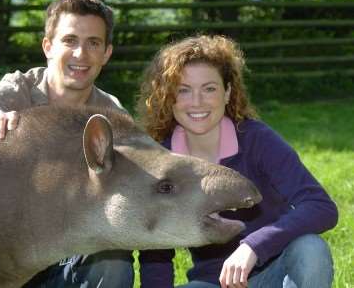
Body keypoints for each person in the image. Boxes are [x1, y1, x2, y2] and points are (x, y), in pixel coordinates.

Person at [136, 34, 338, 288]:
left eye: (209, 88)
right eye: (183, 90)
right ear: (169, 97)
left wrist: (253, 247)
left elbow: (320, 206)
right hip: (213, 283)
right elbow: (156, 252)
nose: (196, 102)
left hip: (276, 273)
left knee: (311, 249)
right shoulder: (162, 162)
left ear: (228, 92)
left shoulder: (256, 139)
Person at [0, 0, 134, 288]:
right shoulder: (17, 91)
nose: (81, 54)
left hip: (72, 251)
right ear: (48, 46)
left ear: (106, 53)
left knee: (113, 258)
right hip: (8, 255)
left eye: (93, 43)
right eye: (69, 40)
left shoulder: (111, 113)